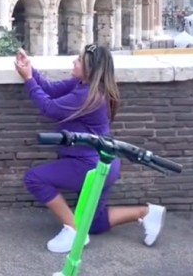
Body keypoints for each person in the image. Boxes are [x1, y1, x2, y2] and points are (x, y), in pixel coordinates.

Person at [14, 46, 165, 253]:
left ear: (90, 68)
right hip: (105, 164)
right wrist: (31, 71)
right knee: (93, 223)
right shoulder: (85, 85)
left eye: (79, 60)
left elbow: (49, 108)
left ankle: (73, 231)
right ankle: (146, 212)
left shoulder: (87, 95)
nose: (74, 62)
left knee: (35, 178)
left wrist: (29, 80)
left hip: (88, 166)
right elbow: (50, 89)